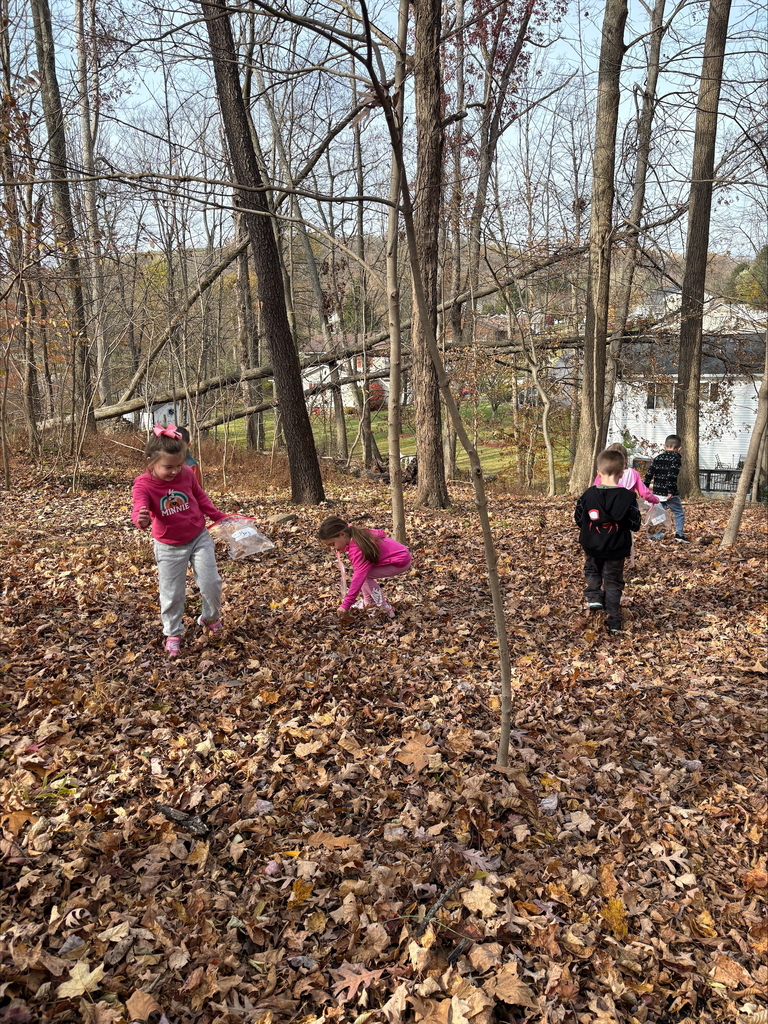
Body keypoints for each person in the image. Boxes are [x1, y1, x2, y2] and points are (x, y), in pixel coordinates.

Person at [132, 423, 228, 657]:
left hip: (198, 537)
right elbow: (139, 510)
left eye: (179, 465)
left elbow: (199, 496)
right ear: (150, 462)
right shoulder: (143, 484)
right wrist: (141, 520)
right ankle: (173, 632)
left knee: (211, 583)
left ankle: (209, 617)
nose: (175, 471)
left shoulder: (186, 473)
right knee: (172, 592)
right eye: (168, 467)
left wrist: (218, 516)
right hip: (168, 546)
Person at [575, 448, 642, 633]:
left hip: (592, 545)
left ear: (598, 472)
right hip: (616, 548)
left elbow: (579, 517)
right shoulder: (628, 497)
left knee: (591, 569)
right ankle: (613, 621)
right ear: (621, 474)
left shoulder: (588, 494)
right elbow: (635, 523)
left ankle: (594, 597)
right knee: (613, 581)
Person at [317, 515, 411, 619]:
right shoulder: (356, 534)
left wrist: (345, 605)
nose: (332, 548)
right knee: (363, 575)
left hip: (400, 561)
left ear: (342, 534)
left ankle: (384, 608)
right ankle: (368, 603)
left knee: (364, 576)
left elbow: (358, 580)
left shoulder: (357, 549)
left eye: (332, 544)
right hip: (401, 554)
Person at [644, 434, 689, 542]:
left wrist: (644, 488)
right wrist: (670, 491)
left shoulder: (657, 458)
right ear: (679, 448)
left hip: (657, 492)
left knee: (660, 513)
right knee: (678, 512)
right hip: (669, 493)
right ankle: (679, 535)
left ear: (664, 446)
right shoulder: (676, 458)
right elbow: (671, 475)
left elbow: (649, 474)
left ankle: (657, 535)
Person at [594, 443, 661, 505]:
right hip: (626, 507)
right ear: (626, 459)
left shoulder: (602, 473)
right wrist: (655, 500)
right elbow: (644, 493)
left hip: (605, 506)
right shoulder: (633, 473)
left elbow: (596, 490)